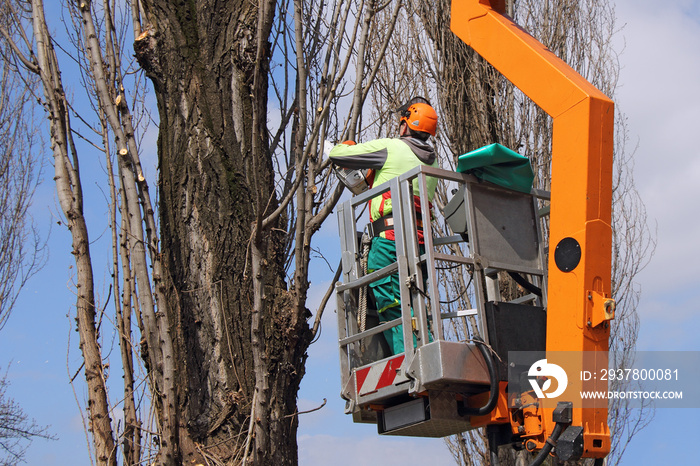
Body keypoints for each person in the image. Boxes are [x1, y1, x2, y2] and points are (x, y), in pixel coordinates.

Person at [329, 97, 439, 354]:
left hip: (389, 239)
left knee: (391, 301)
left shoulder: (392, 147)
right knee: (415, 300)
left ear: (405, 125)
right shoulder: (433, 161)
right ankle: (430, 350)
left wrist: (347, 147)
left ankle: (410, 359)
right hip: (420, 242)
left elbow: (337, 154)